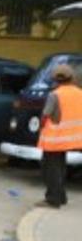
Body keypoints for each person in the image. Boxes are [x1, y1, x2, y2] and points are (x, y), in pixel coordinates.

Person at [37, 63, 81, 208]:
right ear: (71, 77)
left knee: (50, 169)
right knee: (60, 167)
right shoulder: (79, 93)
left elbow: (46, 115)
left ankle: (53, 199)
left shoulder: (55, 94)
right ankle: (61, 196)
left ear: (55, 79)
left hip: (54, 138)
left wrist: (41, 126)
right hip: (72, 137)